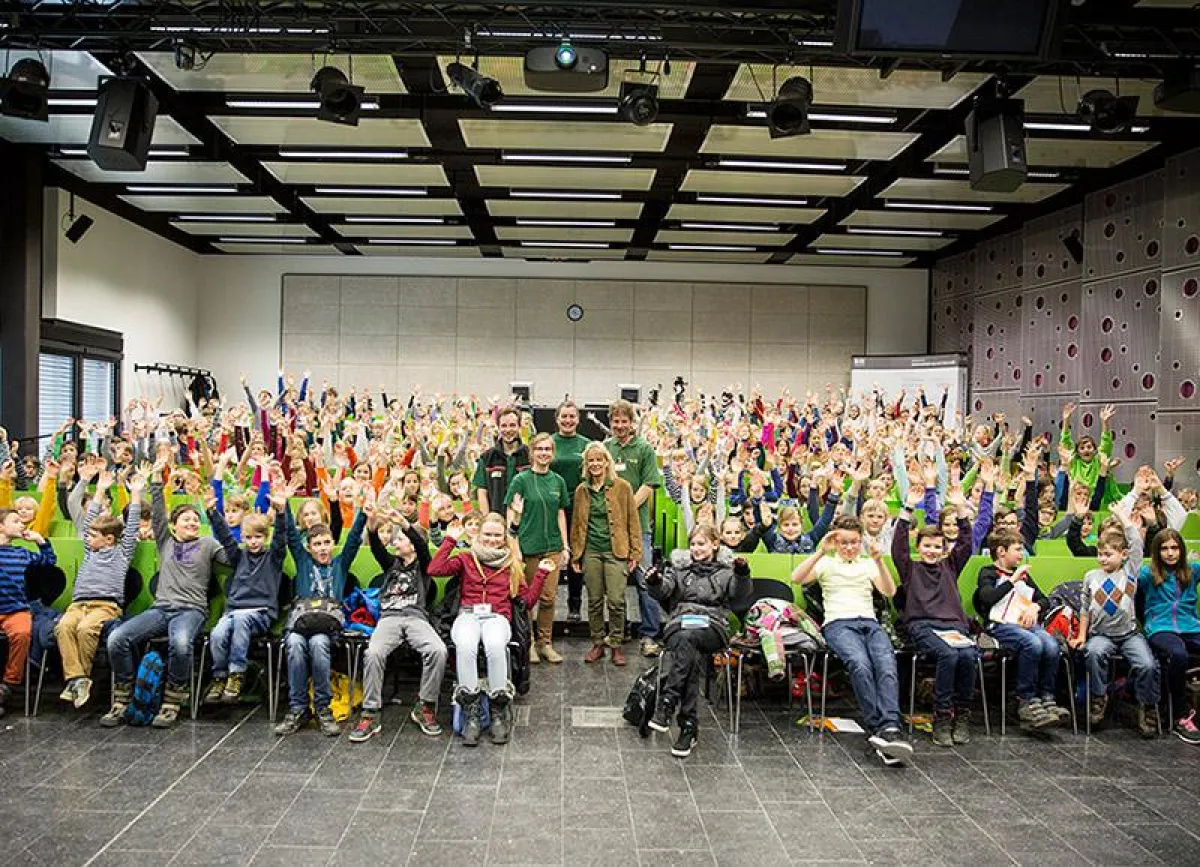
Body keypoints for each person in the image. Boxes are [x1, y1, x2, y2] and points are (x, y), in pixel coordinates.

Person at [102, 459, 229, 728]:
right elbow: (158, 512)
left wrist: (214, 516)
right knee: (117, 638)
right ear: (174, 525)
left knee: (181, 644)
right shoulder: (166, 541)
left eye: (195, 520)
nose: (193, 523)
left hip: (191, 610)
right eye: (186, 520)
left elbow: (232, 559)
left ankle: (172, 700)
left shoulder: (208, 544)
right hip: (161, 609)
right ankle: (122, 698)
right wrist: (157, 478)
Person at [792, 516, 913, 766]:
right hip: (838, 623)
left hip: (869, 622)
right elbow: (796, 577)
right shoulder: (826, 562)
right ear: (836, 541)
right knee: (860, 664)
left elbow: (889, 592)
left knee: (887, 666)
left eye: (854, 542)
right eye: (844, 542)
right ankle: (880, 727)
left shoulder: (868, 564)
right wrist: (819, 552)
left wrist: (879, 561)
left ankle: (889, 727)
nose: (849, 547)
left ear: (861, 542)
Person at [428, 513, 552, 746]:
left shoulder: (512, 565)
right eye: (487, 534)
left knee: (495, 645)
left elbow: (526, 601)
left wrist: (542, 574)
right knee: (465, 645)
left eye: (497, 535)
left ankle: (498, 711)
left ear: (504, 537)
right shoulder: (466, 559)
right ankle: (471, 712)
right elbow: (434, 569)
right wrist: (450, 541)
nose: (492, 539)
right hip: (468, 615)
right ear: (479, 534)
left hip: (497, 616)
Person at [646, 523, 751, 759]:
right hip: (681, 622)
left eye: (701, 543)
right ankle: (687, 726)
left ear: (715, 544)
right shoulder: (679, 569)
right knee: (688, 644)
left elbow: (739, 594)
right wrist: (654, 581)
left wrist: (743, 574)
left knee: (688, 643)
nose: (696, 549)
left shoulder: (726, 571)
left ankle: (669, 703)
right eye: (693, 544)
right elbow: (664, 591)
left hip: (712, 625)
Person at [349, 506, 447, 742]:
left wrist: (404, 523)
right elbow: (375, 545)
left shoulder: (424, 565)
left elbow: (423, 547)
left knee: (438, 650)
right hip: (389, 617)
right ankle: (371, 712)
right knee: (373, 653)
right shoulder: (391, 564)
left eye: (401, 539)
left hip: (415, 617)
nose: (396, 541)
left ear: (412, 544)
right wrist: (372, 524)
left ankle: (425, 706)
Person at [892, 482, 977, 747]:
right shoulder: (911, 568)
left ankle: (961, 715)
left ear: (943, 549)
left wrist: (962, 509)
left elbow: (966, 542)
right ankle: (941, 717)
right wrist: (908, 509)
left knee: (968, 655)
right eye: (927, 545)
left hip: (955, 627)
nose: (931, 550)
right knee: (948, 654)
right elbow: (898, 548)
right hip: (923, 625)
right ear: (919, 546)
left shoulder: (950, 566)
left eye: (937, 546)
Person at [55, 466, 146, 708]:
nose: (88, 538)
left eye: (94, 535)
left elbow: (133, 522)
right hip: (78, 604)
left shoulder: (122, 553)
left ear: (109, 539)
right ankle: (78, 678)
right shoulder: (89, 551)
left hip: (105, 606)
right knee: (64, 626)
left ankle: (79, 678)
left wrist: (135, 493)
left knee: (86, 629)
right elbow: (90, 519)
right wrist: (100, 489)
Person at [275, 505, 367, 737]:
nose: (323, 548)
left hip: (327, 627)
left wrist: (364, 512)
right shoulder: (303, 561)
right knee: (295, 645)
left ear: (332, 544)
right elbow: (292, 538)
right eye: (317, 544)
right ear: (309, 547)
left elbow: (354, 539)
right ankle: (298, 708)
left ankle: (323, 709)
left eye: (326, 543)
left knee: (318, 644)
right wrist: (284, 506)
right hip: (301, 622)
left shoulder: (339, 564)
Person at [1069, 505, 1158, 737]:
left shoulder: (1130, 572)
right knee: (1094, 653)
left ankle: (1146, 706)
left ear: (1123, 555)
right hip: (1100, 634)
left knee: (1147, 664)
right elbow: (1085, 609)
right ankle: (1099, 697)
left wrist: (1122, 517)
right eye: (1100, 554)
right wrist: (1081, 635)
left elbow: (1137, 543)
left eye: (1108, 554)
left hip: (1129, 634)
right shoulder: (1091, 577)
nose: (1102, 559)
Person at [203, 485, 289, 706]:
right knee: (217, 633)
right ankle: (220, 676)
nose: (253, 542)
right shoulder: (238, 556)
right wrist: (212, 513)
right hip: (234, 611)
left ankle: (237, 674)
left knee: (240, 621)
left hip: (261, 613)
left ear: (265, 537)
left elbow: (281, 539)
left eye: (258, 537)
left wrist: (280, 514)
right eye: (249, 537)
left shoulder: (273, 557)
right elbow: (225, 537)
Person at [974, 529, 1068, 730]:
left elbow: (1044, 599)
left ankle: (1047, 697)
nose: (1021, 554)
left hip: (1024, 624)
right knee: (1032, 644)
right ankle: (1025, 699)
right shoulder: (987, 572)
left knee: (1051, 645)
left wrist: (1035, 607)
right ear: (1001, 551)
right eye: (1017, 549)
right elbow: (987, 598)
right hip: (999, 626)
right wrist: (1012, 580)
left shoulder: (1025, 576)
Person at [570, 443, 641, 666]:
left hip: (616, 551)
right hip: (590, 551)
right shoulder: (581, 490)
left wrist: (635, 551)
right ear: (586, 464)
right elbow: (576, 525)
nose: (595, 464)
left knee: (617, 600)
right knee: (593, 600)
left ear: (607, 462)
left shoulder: (623, 487)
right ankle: (598, 642)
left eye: (599, 459)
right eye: (591, 460)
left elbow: (633, 520)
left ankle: (616, 643)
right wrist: (575, 555)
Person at [605, 399, 664, 657]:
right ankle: (621, 630)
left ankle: (649, 635)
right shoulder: (605, 448)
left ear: (632, 423)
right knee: (614, 584)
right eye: (616, 421)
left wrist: (626, 510)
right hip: (609, 529)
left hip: (639, 528)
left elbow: (649, 484)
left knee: (645, 582)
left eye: (624, 421)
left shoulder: (645, 449)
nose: (620, 426)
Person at [505, 432, 569, 664]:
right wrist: (514, 545)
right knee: (528, 600)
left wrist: (565, 545)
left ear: (553, 453)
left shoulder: (558, 481)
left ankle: (545, 643)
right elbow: (511, 512)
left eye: (548, 450)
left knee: (549, 598)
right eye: (539, 449)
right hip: (528, 548)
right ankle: (529, 643)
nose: (544, 453)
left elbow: (561, 513)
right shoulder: (520, 480)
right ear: (532, 453)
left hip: (551, 546)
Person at [1137, 529, 1200, 743]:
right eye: (1164, 549)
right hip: (1160, 627)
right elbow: (1137, 602)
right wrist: (1148, 622)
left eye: (1174, 548)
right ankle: (1180, 714)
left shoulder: (1193, 571)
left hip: (1190, 625)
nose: (1170, 553)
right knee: (1178, 654)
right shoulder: (1147, 574)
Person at [0, 509, 56, 718]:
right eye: (15, 521)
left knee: (23, 634)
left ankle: (8, 685)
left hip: (16, 610)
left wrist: (41, 541)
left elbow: (49, 563)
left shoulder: (21, 554)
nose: (22, 524)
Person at [551, 401, 590, 623]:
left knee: (577, 555)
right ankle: (548, 603)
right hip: (553, 506)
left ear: (578, 419)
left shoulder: (586, 445)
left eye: (571, 417)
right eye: (563, 416)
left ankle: (575, 605)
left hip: (578, 506)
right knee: (553, 555)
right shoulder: (549, 443)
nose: (567, 421)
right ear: (557, 419)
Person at [472, 407, 529, 515]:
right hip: (497, 521)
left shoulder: (530, 456)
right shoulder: (487, 457)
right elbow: (482, 492)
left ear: (519, 427)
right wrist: (487, 519)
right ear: (498, 427)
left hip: (525, 521)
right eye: (504, 426)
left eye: (512, 425)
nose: (508, 430)